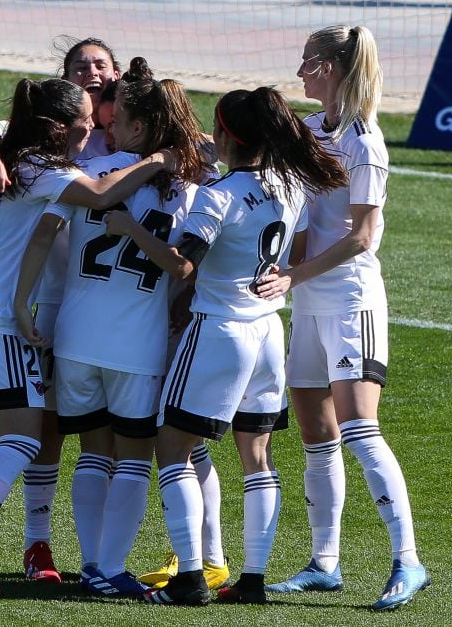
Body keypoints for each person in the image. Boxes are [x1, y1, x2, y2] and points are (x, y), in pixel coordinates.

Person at [0, 77, 175, 597]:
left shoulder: (15, 151)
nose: (89, 134)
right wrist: (159, 160)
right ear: (58, 127)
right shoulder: (43, 171)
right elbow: (102, 193)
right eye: (82, 127)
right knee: (24, 438)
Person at [106, 87, 346, 606]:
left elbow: (181, 264)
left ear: (229, 134)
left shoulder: (219, 196)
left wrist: (129, 230)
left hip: (219, 331)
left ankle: (190, 578)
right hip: (266, 333)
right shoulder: (289, 182)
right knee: (257, 458)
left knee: (172, 449)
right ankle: (253, 579)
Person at [13, 59, 214, 599]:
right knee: (132, 458)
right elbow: (186, 264)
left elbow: (45, 231)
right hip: (136, 340)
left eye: (119, 118)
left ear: (142, 128)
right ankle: (108, 567)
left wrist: (20, 301)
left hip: (77, 334)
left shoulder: (95, 176)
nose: (108, 125)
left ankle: (92, 565)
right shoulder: (182, 189)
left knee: (93, 454)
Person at [255, 25, 431, 611]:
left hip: (352, 301)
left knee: (359, 429)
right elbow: (303, 216)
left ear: (330, 67)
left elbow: (361, 236)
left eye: (308, 60)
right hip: (307, 305)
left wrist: (293, 275)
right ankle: (324, 563)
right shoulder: (311, 131)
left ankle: (408, 560)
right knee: (315, 435)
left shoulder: (365, 143)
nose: (300, 70)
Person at [0, 37, 122, 584]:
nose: (91, 73)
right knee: (38, 427)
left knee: (96, 431)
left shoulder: (124, 126)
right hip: (37, 301)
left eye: (100, 64)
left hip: (93, 302)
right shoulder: (47, 142)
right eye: (80, 66)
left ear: (116, 72)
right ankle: (36, 546)